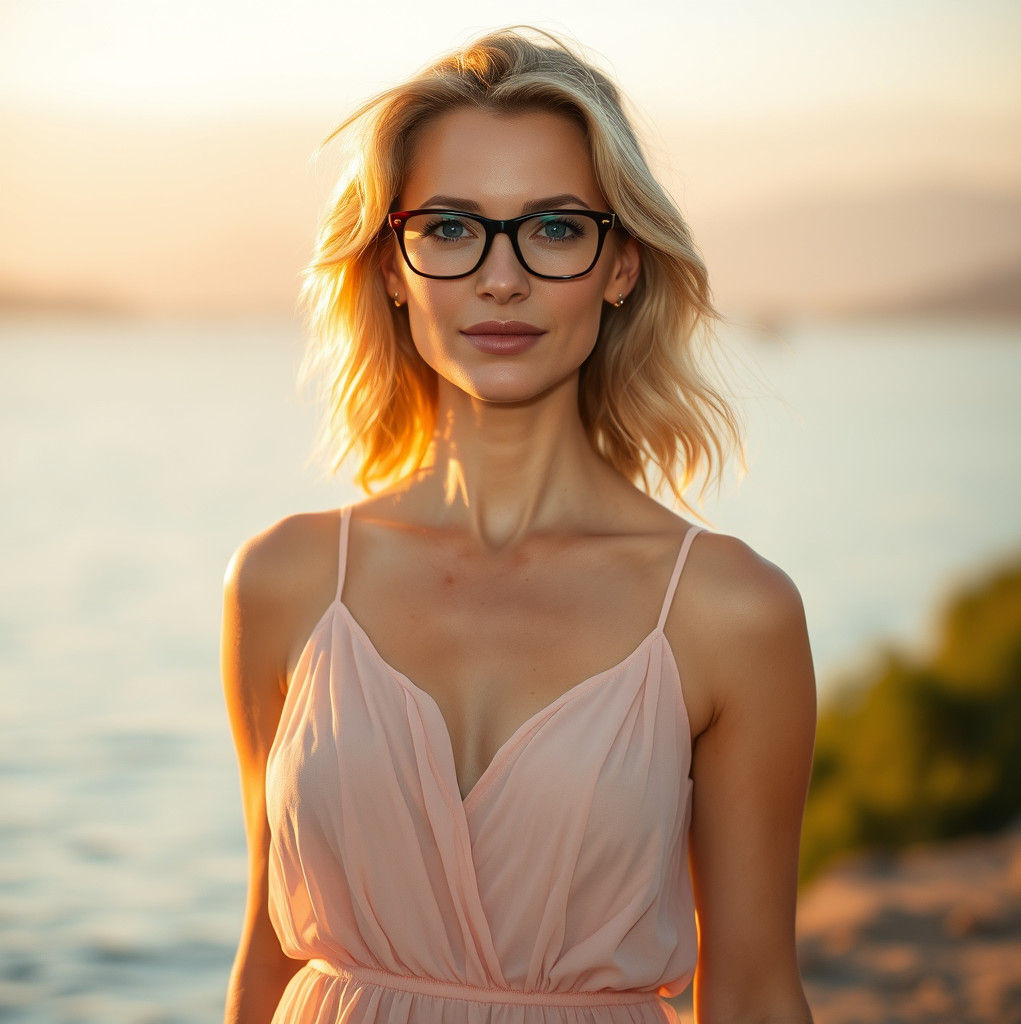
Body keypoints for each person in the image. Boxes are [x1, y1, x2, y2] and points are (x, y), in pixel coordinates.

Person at [220, 24, 817, 1024]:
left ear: (619, 264)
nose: (502, 278)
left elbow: (753, 989)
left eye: (553, 227)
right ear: (393, 268)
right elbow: (265, 962)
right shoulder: (283, 582)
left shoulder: (729, 612)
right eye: (450, 228)